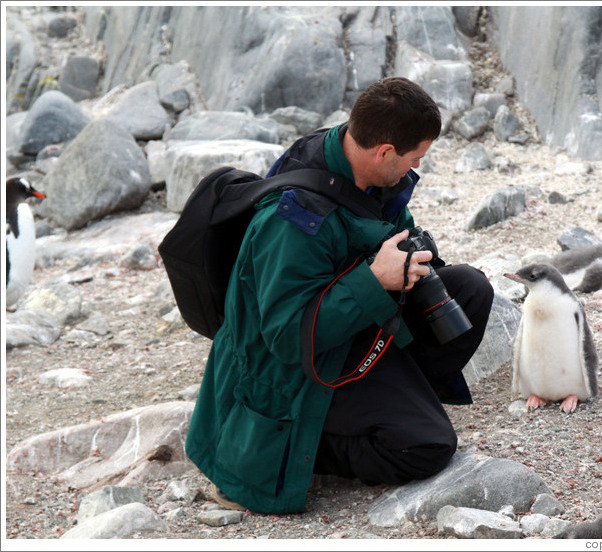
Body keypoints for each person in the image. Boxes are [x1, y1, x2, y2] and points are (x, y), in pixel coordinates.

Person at [184, 77, 494, 514]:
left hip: (346, 332)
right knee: (428, 447)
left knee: (469, 290)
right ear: (384, 150)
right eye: (413, 159)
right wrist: (374, 279)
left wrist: (409, 265)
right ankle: (304, 447)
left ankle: (396, 398)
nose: (414, 169)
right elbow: (286, 336)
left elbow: (386, 235)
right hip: (293, 369)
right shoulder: (294, 219)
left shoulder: (360, 165)